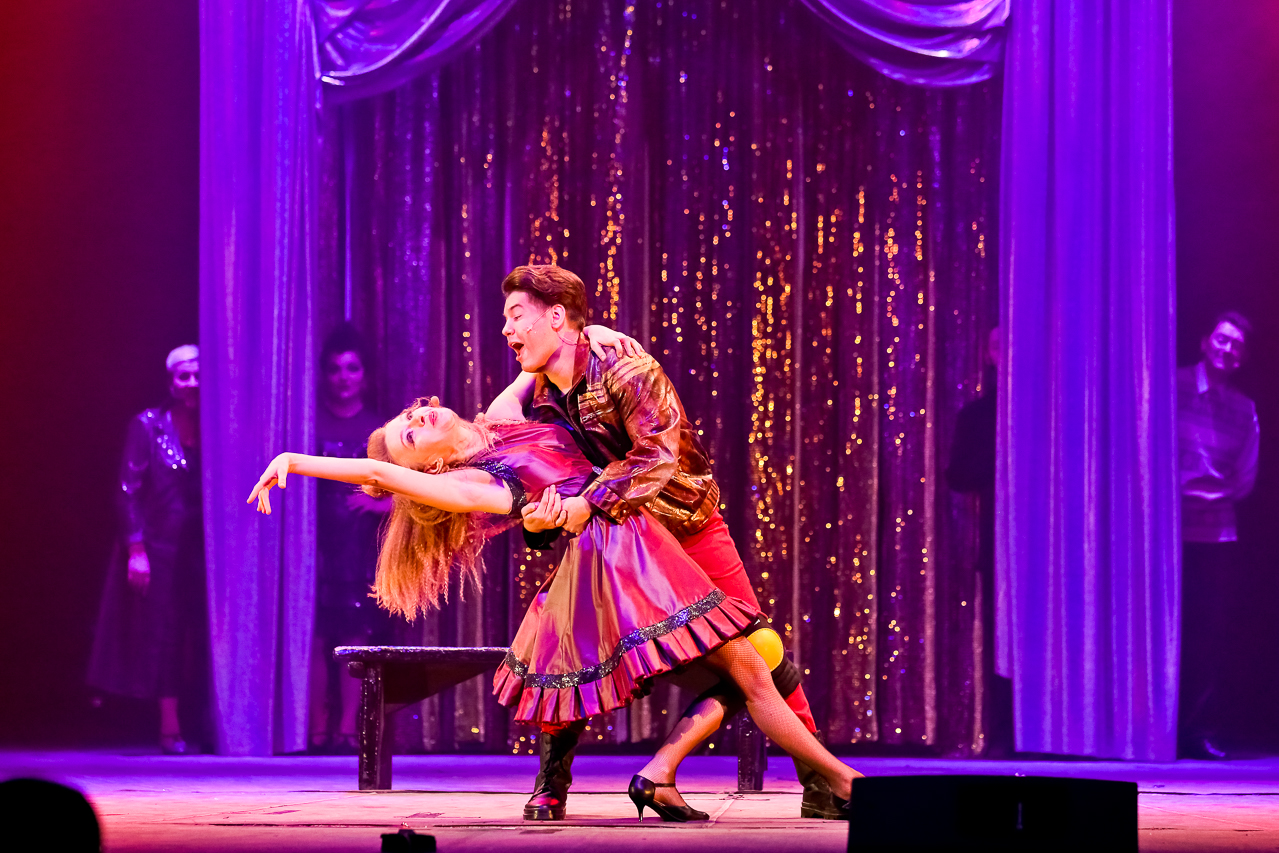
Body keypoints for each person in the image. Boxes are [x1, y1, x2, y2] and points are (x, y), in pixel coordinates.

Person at [246, 402, 863, 820]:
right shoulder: (475, 485)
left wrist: (577, 330)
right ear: (429, 467)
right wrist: (294, 462)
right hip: (622, 561)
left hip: (638, 541)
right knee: (748, 665)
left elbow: (537, 355)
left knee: (750, 664)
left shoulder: (499, 420)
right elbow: (377, 471)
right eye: (410, 434)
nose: (417, 417)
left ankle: (672, 775)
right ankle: (841, 782)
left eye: (410, 415)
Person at [484, 265, 836, 820]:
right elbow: (540, 466)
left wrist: (588, 504)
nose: (505, 329)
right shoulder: (545, 397)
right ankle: (551, 786)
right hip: (619, 540)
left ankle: (819, 786)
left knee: (759, 648)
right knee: (566, 642)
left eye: (515, 315)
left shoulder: (627, 368)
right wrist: (541, 522)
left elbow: (657, 456)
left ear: (554, 315)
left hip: (685, 526)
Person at [88, 344, 208, 754]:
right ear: (171, 382)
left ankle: (209, 722)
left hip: (202, 550)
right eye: (184, 376)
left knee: (203, 632)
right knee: (166, 633)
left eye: (198, 375)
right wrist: (135, 549)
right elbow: (127, 491)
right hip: (161, 546)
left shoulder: (218, 427)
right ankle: (169, 725)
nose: (192, 383)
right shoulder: (148, 426)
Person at [1177, 311, 1259, 760]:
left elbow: (1245, 478)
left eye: (1237, 346)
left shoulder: (1244, 410)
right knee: (1161, 628)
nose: (1228, 350)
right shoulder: (1172, 387)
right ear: (1205, 342)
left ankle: (1196, 730)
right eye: (1223, 340)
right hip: (1165, 534)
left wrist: (1211, 495)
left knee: (1206, 636)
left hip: (1215, 537)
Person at [311, 324, 393, 752]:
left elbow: (413, 487)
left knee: (354, 634)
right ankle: (315, 726)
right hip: (316, 544)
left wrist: (382, 505)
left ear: (365, 374)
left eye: (352, 368)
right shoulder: (308, 420)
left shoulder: (377, 428)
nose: (343, 377)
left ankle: (347, 727)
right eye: (334, 369)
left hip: (359, 547)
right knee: (314, 634)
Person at [944, 326, 1015, 757]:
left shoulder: (1052, 413)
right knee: (999, 636)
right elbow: (957, 475)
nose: (1008, 353)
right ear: (989, 355)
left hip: (1051, 557)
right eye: (998, 346)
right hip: (997, 543)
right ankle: (1004, 734)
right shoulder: (977, 415)